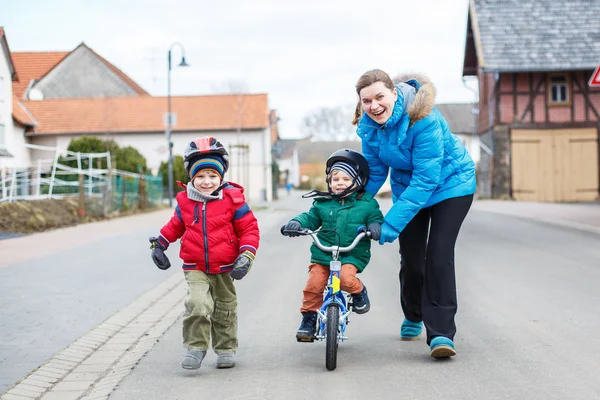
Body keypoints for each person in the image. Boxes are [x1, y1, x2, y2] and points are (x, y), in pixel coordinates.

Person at [351, 69, 476, 358]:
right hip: (410, 188)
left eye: (380, 97)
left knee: (438, 255)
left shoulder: (424, 119)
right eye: (367, 101)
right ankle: (413, 313)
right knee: (411, 257)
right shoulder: (369, 127)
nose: (374, 105)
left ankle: (442, 333)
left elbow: (426, 179)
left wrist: (389, 224)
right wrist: (353, 206)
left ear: (394, 93)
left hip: (450, 185)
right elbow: (375, 171)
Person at [149, 136, 260, 370]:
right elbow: (175, 226)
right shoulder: (185, 202)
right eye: (200, 176)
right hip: (195, 264)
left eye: (212, 176)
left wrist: (246, 255)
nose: (206, 181)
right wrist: (160, 243)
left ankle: (226, 348)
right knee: (197, 304)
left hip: (225, 265)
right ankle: (195, 347)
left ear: (221, 177)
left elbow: (249, 229)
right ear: (191, 177)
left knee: (224, 308)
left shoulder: (233, 200)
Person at [282, 149, 384, 341]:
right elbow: (310, 218)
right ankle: (309, 319)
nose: (340, 183)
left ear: (358, 182)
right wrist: (297, 223)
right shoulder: (322, 203)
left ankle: (360, 291)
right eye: (335, 179)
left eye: (346, 179)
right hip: (324, 254)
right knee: (314, 284)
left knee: (346, 279)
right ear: (329, 182)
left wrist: (375, 227)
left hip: (352, 253)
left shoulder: (367, 204)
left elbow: (375, 218)